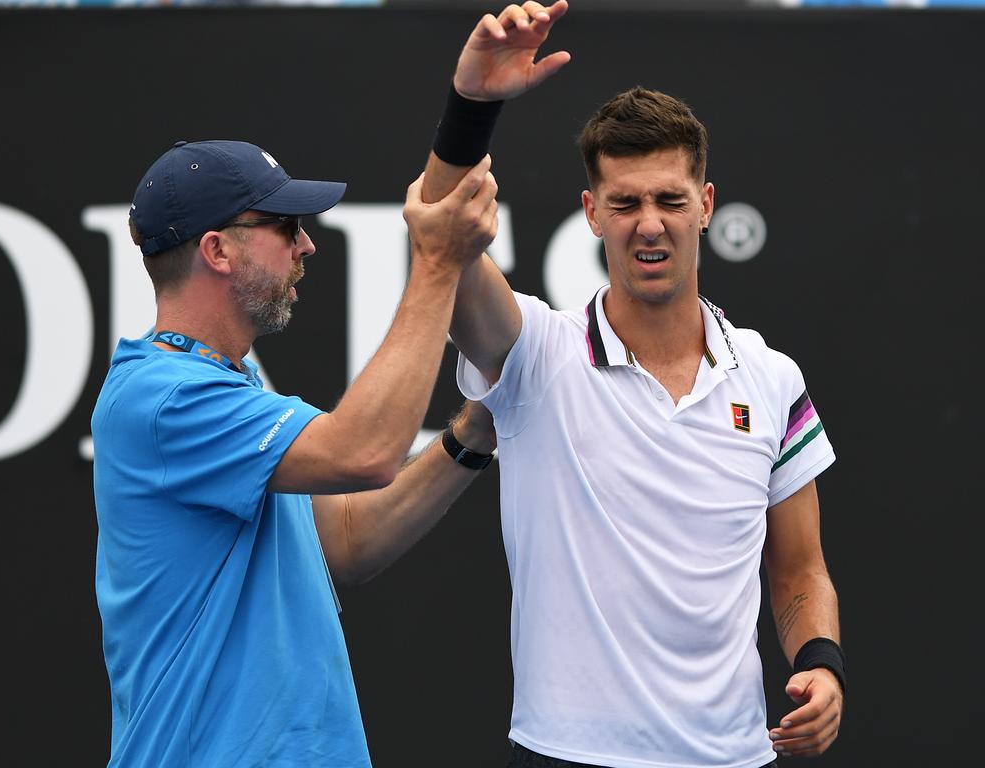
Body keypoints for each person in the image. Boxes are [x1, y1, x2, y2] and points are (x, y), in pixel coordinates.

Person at [421, 3, 846, 767]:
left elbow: (799, 569)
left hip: (735, 755)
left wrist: (819, 659)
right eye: (625, 203)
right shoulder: (536, 352)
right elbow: (444, 244)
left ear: (705, 207)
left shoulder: (772, 377)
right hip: (564, 754)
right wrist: (471, 107)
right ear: (592, 213)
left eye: (670, 200)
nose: (649, 224)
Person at [91, 139, 500, 768]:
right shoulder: (167, 397)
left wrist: (473, 432)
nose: (306, 245)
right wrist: (438, 264)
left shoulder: (226, 378)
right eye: (285, 227)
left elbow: (344, 539)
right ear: (217, 250)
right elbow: (365, 452)